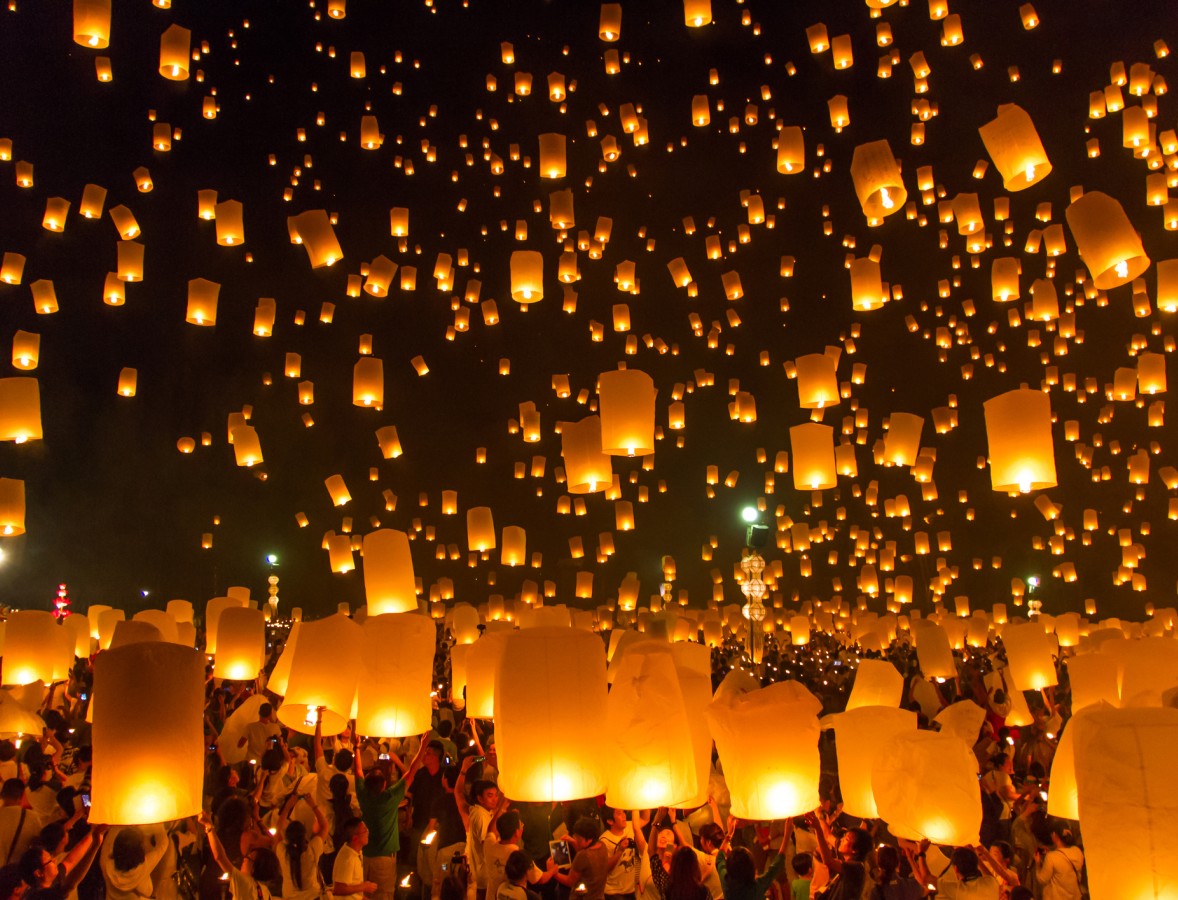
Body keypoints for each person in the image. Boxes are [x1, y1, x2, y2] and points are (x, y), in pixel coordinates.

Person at [354, 731, 432, 900]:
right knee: (384, 895)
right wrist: (422, 747)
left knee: (363, 895)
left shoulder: (363, 795)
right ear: (384, 784)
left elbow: (358, 771)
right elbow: (410, 773)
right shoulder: (389, 798)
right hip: (384, 858)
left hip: (364, 855)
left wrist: (356, 748)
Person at [202, 810, 283, 900]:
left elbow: (219, 857)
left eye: (248, 857)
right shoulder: (264, 891)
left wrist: (209, 827)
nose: (244, 859)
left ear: (253, 868)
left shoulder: (244, 882)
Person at [483, 809, 557, 900]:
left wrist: (500, 809)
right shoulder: (519, 856)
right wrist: (552, 870)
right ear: (516, 832)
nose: (522, 827)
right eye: (521, 824)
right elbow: (540, 879)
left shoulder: (489, 845)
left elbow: (490, 830)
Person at [17, 824, 106, 898]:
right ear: (39, 873)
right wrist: (95, 846)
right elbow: (70, 884)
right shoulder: (43, 896)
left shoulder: (52, 881)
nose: (55, 860)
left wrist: (94, 833)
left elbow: (70, 861)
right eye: (50, 860)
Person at [714, 816, 789, 900]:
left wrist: (729, 834)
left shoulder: (726, 881)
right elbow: (776, 865)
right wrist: (787, 834)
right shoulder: (757, 885)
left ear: (728, 867)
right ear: (752, 868)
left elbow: (720, 857)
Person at [455, 765, 499, 900]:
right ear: (480, 798)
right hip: (483, 873)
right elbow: (487, 843)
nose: (495, 799)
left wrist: (463, 770)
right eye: (490, 796)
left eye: (496, 795)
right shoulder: (480, 815)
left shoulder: (475, 811)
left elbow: (458, 793)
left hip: (476, 872)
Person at [276, 787, 329, 899]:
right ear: (304, 835)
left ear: (287, 836)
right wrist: (313, 805)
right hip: (313, 896)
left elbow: (278, 829)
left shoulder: (282, 851)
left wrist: (287, 807)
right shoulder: (312, 850)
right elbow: (325, 826)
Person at [424, 767, 466, 900]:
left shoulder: (439, 801)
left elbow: (431, 829)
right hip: (464, 850)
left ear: (445, 780)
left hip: (446, 851)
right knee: (461, 884)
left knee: (441, 882)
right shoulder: (466, 800)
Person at [805, 813, 869, 900]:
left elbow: (828, 861)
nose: (841, 840)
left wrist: (818, 829)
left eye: (846, 839)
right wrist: (819, 815)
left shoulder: (856, 868)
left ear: (855, 850)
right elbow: (828, 835)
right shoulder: (846, 859)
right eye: (843, 837)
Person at [99, 825, 170, 900]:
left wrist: (121, 822)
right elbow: (163, 844)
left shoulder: (105, 863)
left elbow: (113, 833)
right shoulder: (142, 868)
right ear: (138, 851)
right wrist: (157, 823)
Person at [553, 816, 612, 900]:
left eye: (578, 837)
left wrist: (553, 873)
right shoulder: (602, 845)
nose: (575, 838)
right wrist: (573, 841)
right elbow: (586, 858)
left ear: (589, 840)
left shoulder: (583, 855)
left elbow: (570, 882)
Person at [1032, 822, 1083, 900]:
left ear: (1054, 834)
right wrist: (1051, 853)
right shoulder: (1077, 851)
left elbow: (1042, 879)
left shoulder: (1052, 857)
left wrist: (1038, 863)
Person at [598, 807, 639, 900]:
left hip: (631, 889)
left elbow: (645, 819)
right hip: (614, 892)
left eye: (624, 812)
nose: (624, 815)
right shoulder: (604, 840)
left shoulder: (630, 826)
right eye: (619, 813)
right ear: (610, 821)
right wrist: (620, 850)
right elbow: (604, 868)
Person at [332, 818, 378, 900]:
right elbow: (339, 889)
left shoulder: (357, 852)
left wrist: (362, 897)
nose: (367, 833)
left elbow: (352, 884)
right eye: (364, 831)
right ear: (355, 838)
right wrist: (364, 887)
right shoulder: (348, 858)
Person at [0, 779, 42, 867]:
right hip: (15, 870)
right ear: (21, 796)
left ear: (2, 794)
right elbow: (37, 844)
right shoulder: (32, 817)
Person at [931, 847, 999, 900]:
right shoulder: (991, 883)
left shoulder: (957, 890)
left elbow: (927, 879)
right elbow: (990, 876)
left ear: (956, 869)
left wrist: (923, 854)